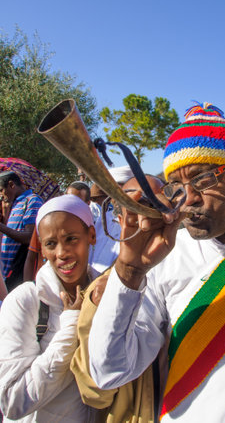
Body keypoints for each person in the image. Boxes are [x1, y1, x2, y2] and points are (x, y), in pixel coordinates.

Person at [88, 103, 225, 422]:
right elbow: (108, 372)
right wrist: (129, 272)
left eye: (205, 179)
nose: (189, 198)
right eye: (177, 187)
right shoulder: (163, 260)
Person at [71, 174, 165, 422]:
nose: (153, 216)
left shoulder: (189, 269)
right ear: (121, 220)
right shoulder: (102, 290)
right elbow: (95, 392)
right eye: (140, 207)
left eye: (160, 204)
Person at [0, 194, 99, 422]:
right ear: (42, 249)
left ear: (91, 236)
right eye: (50, 244)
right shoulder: (25, 301)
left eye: (71, 239)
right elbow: (12, 401)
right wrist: (71, 326)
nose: (62, 253)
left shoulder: (104, 292)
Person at [0, 171, 43, 291]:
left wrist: (1, 227)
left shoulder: (32, 201)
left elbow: (30, 238)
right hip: (7, 271)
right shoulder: (15, 203)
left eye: (1, 190)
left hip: (19, 271)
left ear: (11, 185)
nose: (1, 195)